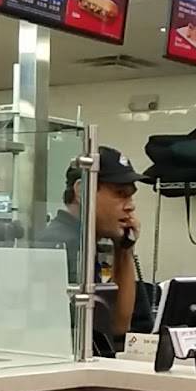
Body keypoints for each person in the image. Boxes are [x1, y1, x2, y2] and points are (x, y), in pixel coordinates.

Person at [41, 146, 148, 343]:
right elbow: (103, 330)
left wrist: (124, 249)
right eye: (120, 193)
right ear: (83, 190)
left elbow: (119, 326)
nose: (130, 205)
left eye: (131, 196)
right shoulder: (62, 245)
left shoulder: (89, 243)